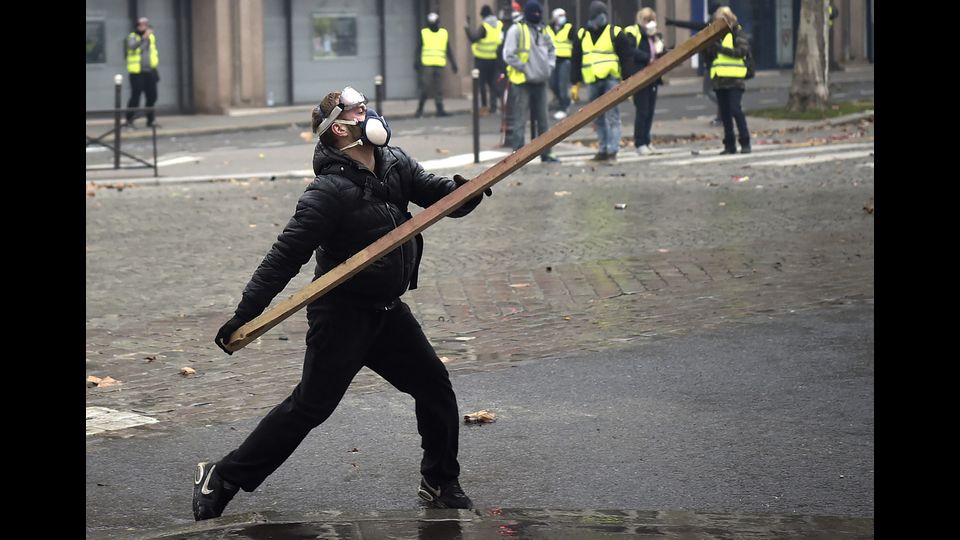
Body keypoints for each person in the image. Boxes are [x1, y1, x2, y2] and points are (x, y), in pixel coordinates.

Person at [193, 86, 491, 521]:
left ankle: (441, 482)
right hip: (342, 314)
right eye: (358, 109)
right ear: (339, 127)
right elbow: (285, 255)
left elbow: (437, 196)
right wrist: (246, 312)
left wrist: (466, 193)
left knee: (434, 386)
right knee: (310, 407)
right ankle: (221, 476)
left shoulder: (395, 163)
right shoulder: (328, 192)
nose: (369, 113)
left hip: (387, 310)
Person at [570, 1, 635, 162]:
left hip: (610, 80)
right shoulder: (582, 35)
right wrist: (575, 83)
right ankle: (603, 149)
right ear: (591, 18)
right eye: (599, 16)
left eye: (603, 15)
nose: (602, 18)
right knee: (597, 118)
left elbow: (626, 57)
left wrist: (628, 81)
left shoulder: (615, 33)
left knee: (613, 116)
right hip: (592, 81)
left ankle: (612, 150)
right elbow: (576, 59)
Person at [503, 1, 558, 163]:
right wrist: (525, 68)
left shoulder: (543, 30)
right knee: (520, 120)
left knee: (543, 120)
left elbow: (552, 50)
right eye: (535, 13)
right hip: (522, 81)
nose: (537, 16)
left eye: (539, 13)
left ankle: (546, 153)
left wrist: (549, 67)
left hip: (540, 80)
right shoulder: (516, 30)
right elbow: (508, 54)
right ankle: (517, 157)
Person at [665, 0, 727, 126]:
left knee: (710, 91)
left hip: (713, 66)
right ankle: (723, 115)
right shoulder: (713, 26)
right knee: (715, 91)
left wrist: (673, 22)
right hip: (713, 65)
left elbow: (693, 25)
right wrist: (674, 22)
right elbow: (692, 25)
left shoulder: (714, 27)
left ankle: (725, 110)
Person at [705, 6, 751, 154]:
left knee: (735, 109)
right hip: (720, 80)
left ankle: (745, 142)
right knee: (725, 114)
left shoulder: (738, 32)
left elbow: (741, 51)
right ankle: (729, 145)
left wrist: (720, 49)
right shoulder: (716, 36)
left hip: (735, 79)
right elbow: (711, 57)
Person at [624, 8, 665, 155]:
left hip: (653, 77)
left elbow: (659, 53)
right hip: (640, 77)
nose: (651, 24)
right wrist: (647, 57)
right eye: (648, 20)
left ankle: (647, 140)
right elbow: (630, 50)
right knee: (642, 111)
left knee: (650, 111)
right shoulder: (633, 32)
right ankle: (640, 142)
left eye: (652, 20)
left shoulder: (654, 36)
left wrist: (661, 47)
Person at [415, 12, 459, 118]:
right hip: (427, 65)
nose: (433, 25)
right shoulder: (424, 33)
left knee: (439, 89)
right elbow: (418, 49)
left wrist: (453, 63)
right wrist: (417, 61)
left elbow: (448, 50)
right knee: (425, 88)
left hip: (439, 64)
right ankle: (419, 110)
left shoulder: (443, 33)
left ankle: (440, 110)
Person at [465, 5, 504, 115]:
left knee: (481, 84)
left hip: (482, 59)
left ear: (483, 15)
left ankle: (484, 107)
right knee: (493, 84)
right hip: (495, 59)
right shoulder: (500, 25)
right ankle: (494, 107)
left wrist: (467, 28)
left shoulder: (485, 26)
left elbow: (474, 38)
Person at [124, 17, 160, 129]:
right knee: (135, 96)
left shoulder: (151, 37)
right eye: (142, 25)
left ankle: (150, 120)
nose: (144, 27)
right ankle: (129, 120)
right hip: (136, 72)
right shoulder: (132, 37)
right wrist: (144, 38)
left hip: (150, 71)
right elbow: (132, 47)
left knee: (152, 96)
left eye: (146, 25)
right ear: (137, 26)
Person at [546, 8, 574, 120]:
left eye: (564, 15)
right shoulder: (548, 29)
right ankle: (563, 101)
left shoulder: (569, 28)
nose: (563, 17)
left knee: (563, 85)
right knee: (552, 83)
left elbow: (575, 41)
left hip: (565, 60)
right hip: (552, 60)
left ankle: (563, 108)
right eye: (560, 15)